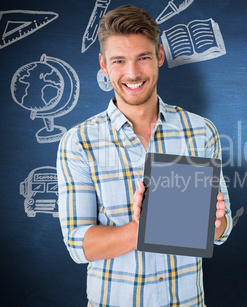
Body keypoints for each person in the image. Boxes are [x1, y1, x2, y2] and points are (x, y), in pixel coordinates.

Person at [57, 5, 232, 306]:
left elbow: (221, 230)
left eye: (143, 58)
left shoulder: (201, 131)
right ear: (103, 64)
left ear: (159, 57)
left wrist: (214, 223)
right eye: (119, 61)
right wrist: (143, 229)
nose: (133, 73)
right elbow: (77, 244)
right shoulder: (79, 142)